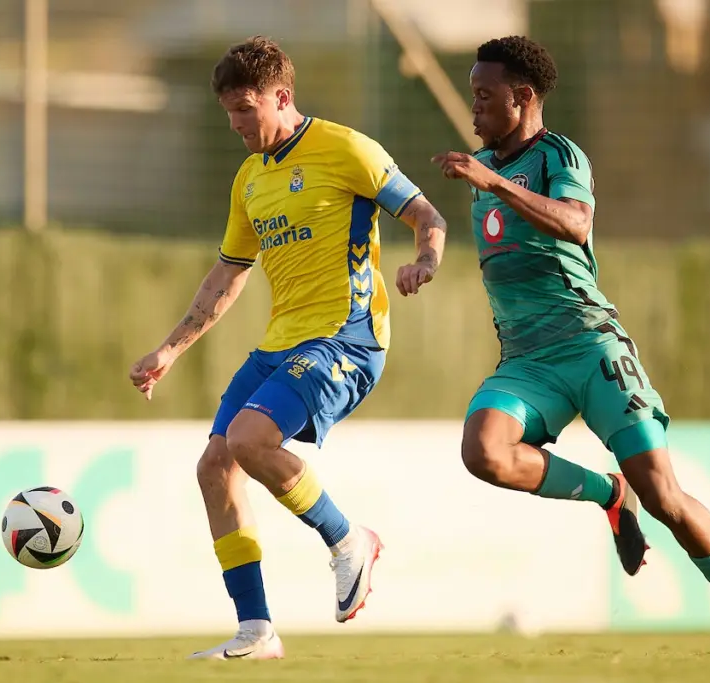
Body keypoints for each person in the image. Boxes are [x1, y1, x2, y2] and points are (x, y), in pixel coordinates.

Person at [432, 36, 710, 655]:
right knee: (484, 451)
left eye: (485, 95)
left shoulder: (557, 154)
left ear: (523, 96)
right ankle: (607, 494)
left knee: (664, 497)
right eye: (472, 95)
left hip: (591, 348)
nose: (474, 107)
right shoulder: (486, 173)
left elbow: (575, 223)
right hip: (527, 362)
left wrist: (494, 183)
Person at [129, 35, 448, 660]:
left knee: (250, 441)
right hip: (281, 342)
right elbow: (227, 275)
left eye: (246, 108)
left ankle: (348, 538)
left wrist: (425, 262)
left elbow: (426, 216)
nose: (236, 124)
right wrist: (170, 349)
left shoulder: (346, 148)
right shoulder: (250, 179)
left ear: (283, 96)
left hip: (346, 339)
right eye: (228, 113)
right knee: (215, 467)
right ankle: (256, 630)